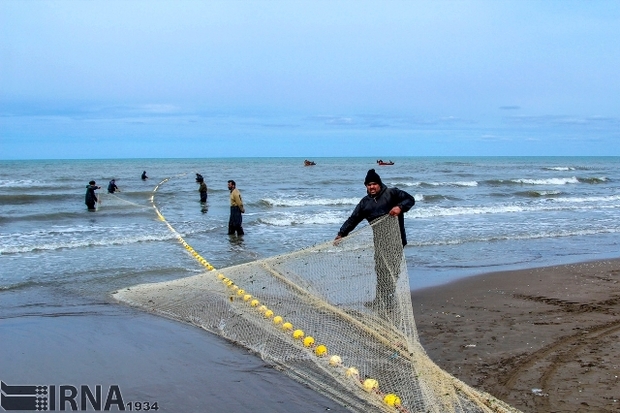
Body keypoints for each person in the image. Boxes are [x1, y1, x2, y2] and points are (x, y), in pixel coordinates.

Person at [335, 169, 415, 309]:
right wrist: (341, 233)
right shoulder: (365, 203)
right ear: (366, 186)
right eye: (368, 185)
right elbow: (353, 219)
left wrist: (399, 207)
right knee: (381, 271)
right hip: (380, 242)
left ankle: (388, 301)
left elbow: (410, 199)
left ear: (379, 184)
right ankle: (380, 300)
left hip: (396, 240)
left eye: (374, 184)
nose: (371, 187)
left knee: (392, 271)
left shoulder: (392, 193)